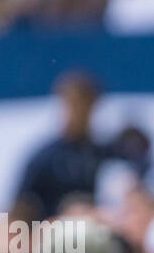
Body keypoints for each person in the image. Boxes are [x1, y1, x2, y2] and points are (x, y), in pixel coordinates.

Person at [15, 72, 106, 219]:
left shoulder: (106, 155)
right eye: (73, 104)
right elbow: (21, 206)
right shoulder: (45, 159)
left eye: (84, 103)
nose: (78, 111)